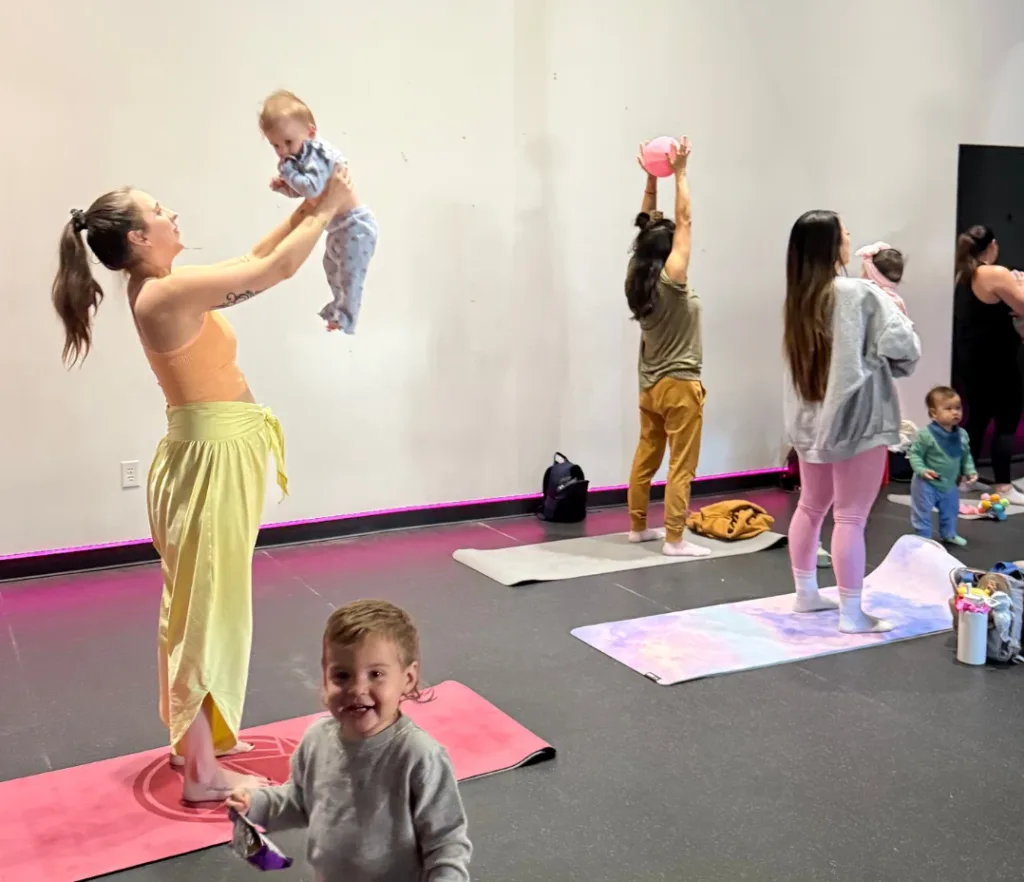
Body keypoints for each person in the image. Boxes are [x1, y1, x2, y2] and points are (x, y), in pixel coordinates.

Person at [51, 167, 356, 803]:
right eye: (160, 210)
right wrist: (330, 209)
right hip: (210, 460)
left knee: (208, 605)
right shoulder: (165, 294)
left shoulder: (166, 286)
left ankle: (200, 742)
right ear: (139, 237)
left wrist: (309, 206)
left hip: (215, 453)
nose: (173, 215)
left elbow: (251, 261)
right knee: (205, 612)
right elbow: (274, 271)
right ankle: (200, 775)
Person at [226, 600, 472, 882]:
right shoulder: (317, 740)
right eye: (341, 676)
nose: (357, 689)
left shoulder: (419, 756)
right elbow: (300, 801)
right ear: (324, 678)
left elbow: (446, 842)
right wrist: (255, 803)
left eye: (376, 674)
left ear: (408, 679)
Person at [783, 210, 921, 633]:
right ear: (831, 244)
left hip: (811, 420)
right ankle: (851, 613)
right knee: (851, 517)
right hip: (859, 418)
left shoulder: (800, 297)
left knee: (811, 506)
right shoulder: (858, 293)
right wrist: (893, 306)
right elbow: (903, 346)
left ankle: (806, 593)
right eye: (844, 233)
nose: (849, 238)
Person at [624, 136, 710, 558]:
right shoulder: (670, 281)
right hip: (679, 386)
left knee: (647, 456)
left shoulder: (637, 275)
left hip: (650, 386)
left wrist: (650, 178)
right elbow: (685, 220)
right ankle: (675, 538)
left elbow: (645, 225)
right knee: (681, 464)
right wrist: (680, 173)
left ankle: (638, 527)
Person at [260, 90, 378, 334]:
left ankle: (346, 318)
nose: (283, 151)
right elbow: (311, 195)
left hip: (355, 227)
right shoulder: (301, 156)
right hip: (338, 229)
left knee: (351, 276)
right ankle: (337, 308)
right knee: (331, 267)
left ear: (311, 132)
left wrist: (288, 174)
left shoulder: (318, 155)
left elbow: (311, 187)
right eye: (276, 145)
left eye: (288, 142)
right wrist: (284, 187)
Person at [951, 224, 1024, 501]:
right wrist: (1020, 284)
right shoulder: (994, 273)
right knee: (1007, 419)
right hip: (998, 360)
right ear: (992, 245)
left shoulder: (963, 274)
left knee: (978, 419)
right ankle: (1003, 485)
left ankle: (965, 478)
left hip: (971, 359)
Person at [907, 386, 976, 545]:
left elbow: (965, 455)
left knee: (951, 510)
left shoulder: (962, 435)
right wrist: (922, 470)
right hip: (926, 483)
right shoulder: (925, 435)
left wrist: (970, 471)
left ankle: (949, 533)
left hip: (949, 483)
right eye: (948, 409)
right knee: (922, 512)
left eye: (958, 408)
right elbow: (915, 455)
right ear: (933, 414)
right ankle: (923, 538)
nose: (955, 412)